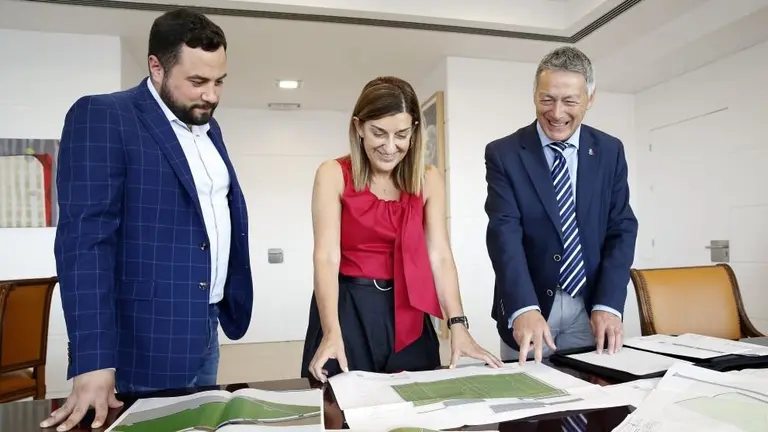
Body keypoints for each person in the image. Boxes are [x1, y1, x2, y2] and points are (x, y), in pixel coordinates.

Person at [41, 8, 253, 431]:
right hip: (140, 340)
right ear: (156, 67)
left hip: (204, 327)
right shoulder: (104, 116)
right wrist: (93, 359)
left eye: (218, 82)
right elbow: (85, 244)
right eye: (197, 82)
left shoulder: (210, 131)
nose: (211, 95)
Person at [301, 76, 502, 382]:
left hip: (410, 307)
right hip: (349, 309)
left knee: (418, 407)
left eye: (401, 135)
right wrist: (331, 331)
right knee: (345, 410)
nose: (390, 147)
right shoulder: (333, 174)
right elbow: (326, 257)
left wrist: (458, 325)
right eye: (378, 133)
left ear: (414, 132)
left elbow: (440, 257)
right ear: (358, 128)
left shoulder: (428, 178)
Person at [484, 46, 638, 365]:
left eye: (570, 101)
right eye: (547, 99)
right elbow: (504, 234)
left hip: (589, 309)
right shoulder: (505, 154)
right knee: (528, 411)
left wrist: (608, 304)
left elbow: (621, 227)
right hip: (530, 308)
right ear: (535, 96)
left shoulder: (610, 151)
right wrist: (523, 308)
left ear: (589, 99)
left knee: (593, 406)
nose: (556, 113)